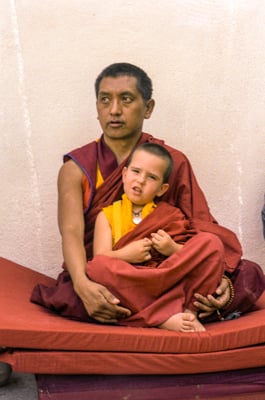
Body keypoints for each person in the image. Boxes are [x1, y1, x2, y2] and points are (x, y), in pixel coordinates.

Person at [31, 62, 265, 325]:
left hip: (168, 270)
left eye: (126, 99)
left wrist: (219, 276)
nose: (114, 110)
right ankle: (175, 314)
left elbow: (200, 227)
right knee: (75, 290)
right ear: (97, 107)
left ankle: (156, 311)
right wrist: (84, 286)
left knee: (250, 274)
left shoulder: (173, 162)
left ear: (148, 108)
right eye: (105, 100)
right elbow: (72, 233)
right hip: (118, 275)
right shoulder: (77, 169)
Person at [87, 142, 225, 332]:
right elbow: (100, 257)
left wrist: (173, 249)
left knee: (212, 243)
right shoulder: (107, 215)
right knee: (97, 268)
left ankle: (188, 312)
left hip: (166, 281)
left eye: (151, 177)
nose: (141, 180)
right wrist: (126, 255)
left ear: (162, 189)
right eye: (136, 171)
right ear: (124, 174)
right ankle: (163, 317)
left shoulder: (170, 214)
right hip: (132, 283)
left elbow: (193, 258)